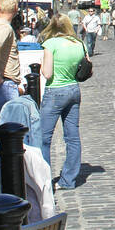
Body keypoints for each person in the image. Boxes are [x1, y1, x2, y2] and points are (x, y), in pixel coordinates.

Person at [39, 15, 86, 189]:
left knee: (44, 137)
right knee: (72, 137)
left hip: (55, 91)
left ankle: (44, 181)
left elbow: (47, 73)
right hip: (73, 89)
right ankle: (69, 179)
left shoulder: (50, 44)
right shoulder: (79, 43)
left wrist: (42, 64)